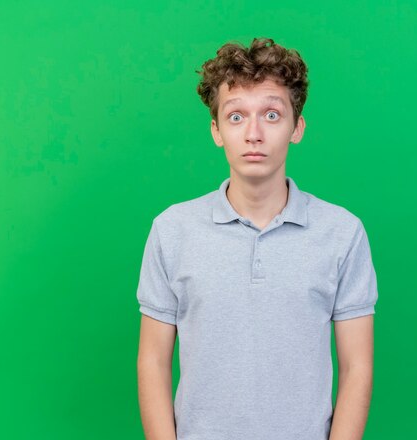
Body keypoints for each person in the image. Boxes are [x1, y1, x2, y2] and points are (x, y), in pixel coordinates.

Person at [136, 37, 378, 440]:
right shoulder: (172, 230)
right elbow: (152, 361)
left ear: (296, 127)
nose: (253, 134)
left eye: (270, 114)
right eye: (235, 117)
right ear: (215, 130)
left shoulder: (342, 233)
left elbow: (358, 368)